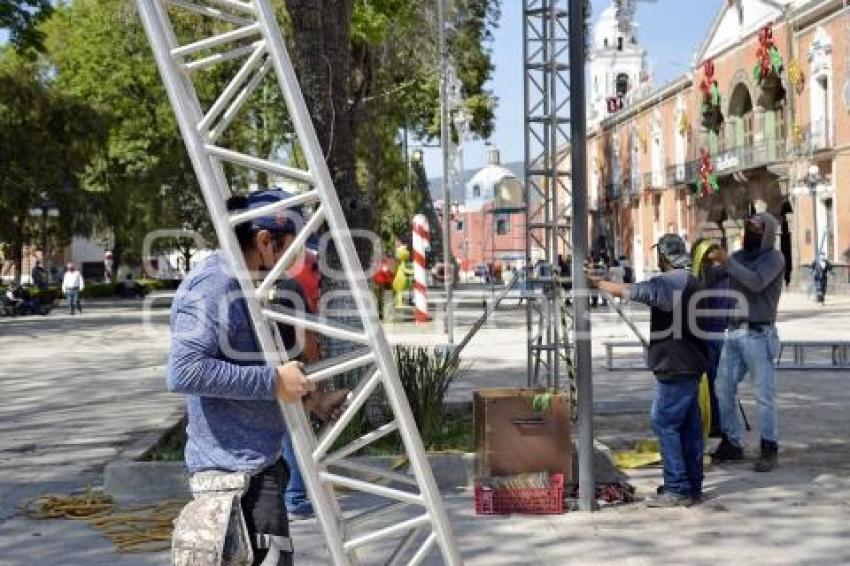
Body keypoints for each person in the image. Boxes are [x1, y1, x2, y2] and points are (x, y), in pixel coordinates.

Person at [167, 189, 346, 565]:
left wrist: (310, 399)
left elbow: (256, 366)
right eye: (292, 248)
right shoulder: (214, 286)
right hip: (234, 478)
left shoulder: (252, 287)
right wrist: (272, 382)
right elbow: (184, 370)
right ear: (265, 241)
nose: (298, 260)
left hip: (261, 466)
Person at [589, 234, 708, 507]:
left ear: (664, 257)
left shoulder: (668, 282)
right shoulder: (694, 281)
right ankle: (692, 484)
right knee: (687, 427)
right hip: (692, 362)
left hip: (675, 365)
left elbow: (634, 291)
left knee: (664, 422)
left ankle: (677, 488)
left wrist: (598, 283)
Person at [708, 212, 785, 472]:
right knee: (723, 387)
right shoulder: (739, 257)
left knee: (763, 395)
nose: (750, 231)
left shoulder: (774, 258)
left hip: (759, 334)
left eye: (756, 227)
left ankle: (769, 446)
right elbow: (714, 277)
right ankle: (732, 441)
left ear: (767, 233)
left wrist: (727, 261)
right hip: (735, 332)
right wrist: (700, 264)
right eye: (748, 226)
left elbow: (755, 282)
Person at [691, 238, 732, 437]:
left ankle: (715, 422)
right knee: (714, 381)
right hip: (716, 331)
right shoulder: (722, 275)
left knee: (711, 381)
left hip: (709, 334)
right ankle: (715, 420)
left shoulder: (709, 275)